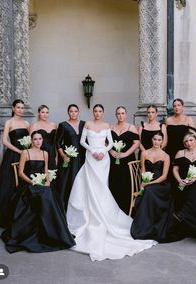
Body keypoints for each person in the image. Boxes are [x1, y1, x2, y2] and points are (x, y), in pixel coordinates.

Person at [66, 104, 156, 261]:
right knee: (90, 184)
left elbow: (111, 143)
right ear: (93, 112)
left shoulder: (107, 125)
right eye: (96, 111)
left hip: (103, 159)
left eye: (100, 111)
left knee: (102, 185)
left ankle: (104, 210)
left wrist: (103, 151)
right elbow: (82, 141)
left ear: (103, 112)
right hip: (91, 156)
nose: (98, 113)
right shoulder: (88, 124)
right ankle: (90, 212)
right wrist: (93, 151)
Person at [0, 131, 76, 253]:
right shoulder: (26, 152)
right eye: (35, 139)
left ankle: (53, 232)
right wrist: (31, 181)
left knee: (50, 194)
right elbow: (20, 173)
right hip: (29, 183)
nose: (38, 141)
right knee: (41, 195)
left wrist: (47, 181)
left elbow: (45, 171)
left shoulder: (45, 153)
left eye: (40, 139)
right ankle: (36, 230)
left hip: (41, 182)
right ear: (31, 140)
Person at [0, 99, 30, 227]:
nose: (20, 110)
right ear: (13, 109)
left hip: (25, 155)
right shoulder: (9, 122)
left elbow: (29, 139)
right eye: (18, 107)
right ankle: (7, 215)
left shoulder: (26, 123)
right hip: (13, 155)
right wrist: (19, 151)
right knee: (10, 183)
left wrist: (27, 152)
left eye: (22, 108)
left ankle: (23, 214)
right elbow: (5, 141)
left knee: (25, 181)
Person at [131, 131, 172, 242]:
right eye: (155, 139)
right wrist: (143, 182)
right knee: (147, 190)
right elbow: (143, 171)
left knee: (149, 190)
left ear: (162, 141)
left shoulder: (166, 156)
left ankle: (147, 226)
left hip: (161, 184)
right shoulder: (144, 153)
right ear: (152, 140)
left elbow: (164, 176)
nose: (156, 142)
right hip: (148, 181)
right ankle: (144, 225)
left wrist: (149, 184)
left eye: (159, 140)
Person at [109, 106, 140, 214]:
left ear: (126, 114)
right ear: (116, 115)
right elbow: (105, 142)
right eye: (118, 113)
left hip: (127, 161)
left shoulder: (131, 127)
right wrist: (111, 151)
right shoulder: (111, 127)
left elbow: (137, 143)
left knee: (125, 184)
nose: (120, 115)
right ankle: (113, 210)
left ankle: (126, 211)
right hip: (113, 160)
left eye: (122, 113)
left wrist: (125, 154)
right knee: (113, 183)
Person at [55, 104, 85, 210]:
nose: (73, 113)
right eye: (71, 111)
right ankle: (67, 206)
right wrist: (63, 155)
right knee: (69, 180)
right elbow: (57, 143)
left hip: (82, 157)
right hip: (69, 157)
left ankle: (81, 204)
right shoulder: (63, 125)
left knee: (81, 180)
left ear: (78, 112)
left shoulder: (84, 124)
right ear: (68, 112)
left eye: (75, 111)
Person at [30, 105, 57, 170]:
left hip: (52, 153)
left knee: (52, 174)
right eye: (43, 112)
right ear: (39, 113)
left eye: (47, 112)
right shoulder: (35, 125)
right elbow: (31, 143)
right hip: (41, 154)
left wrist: (57, 157)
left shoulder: (54, 125)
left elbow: (56, 142)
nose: (45, 114)